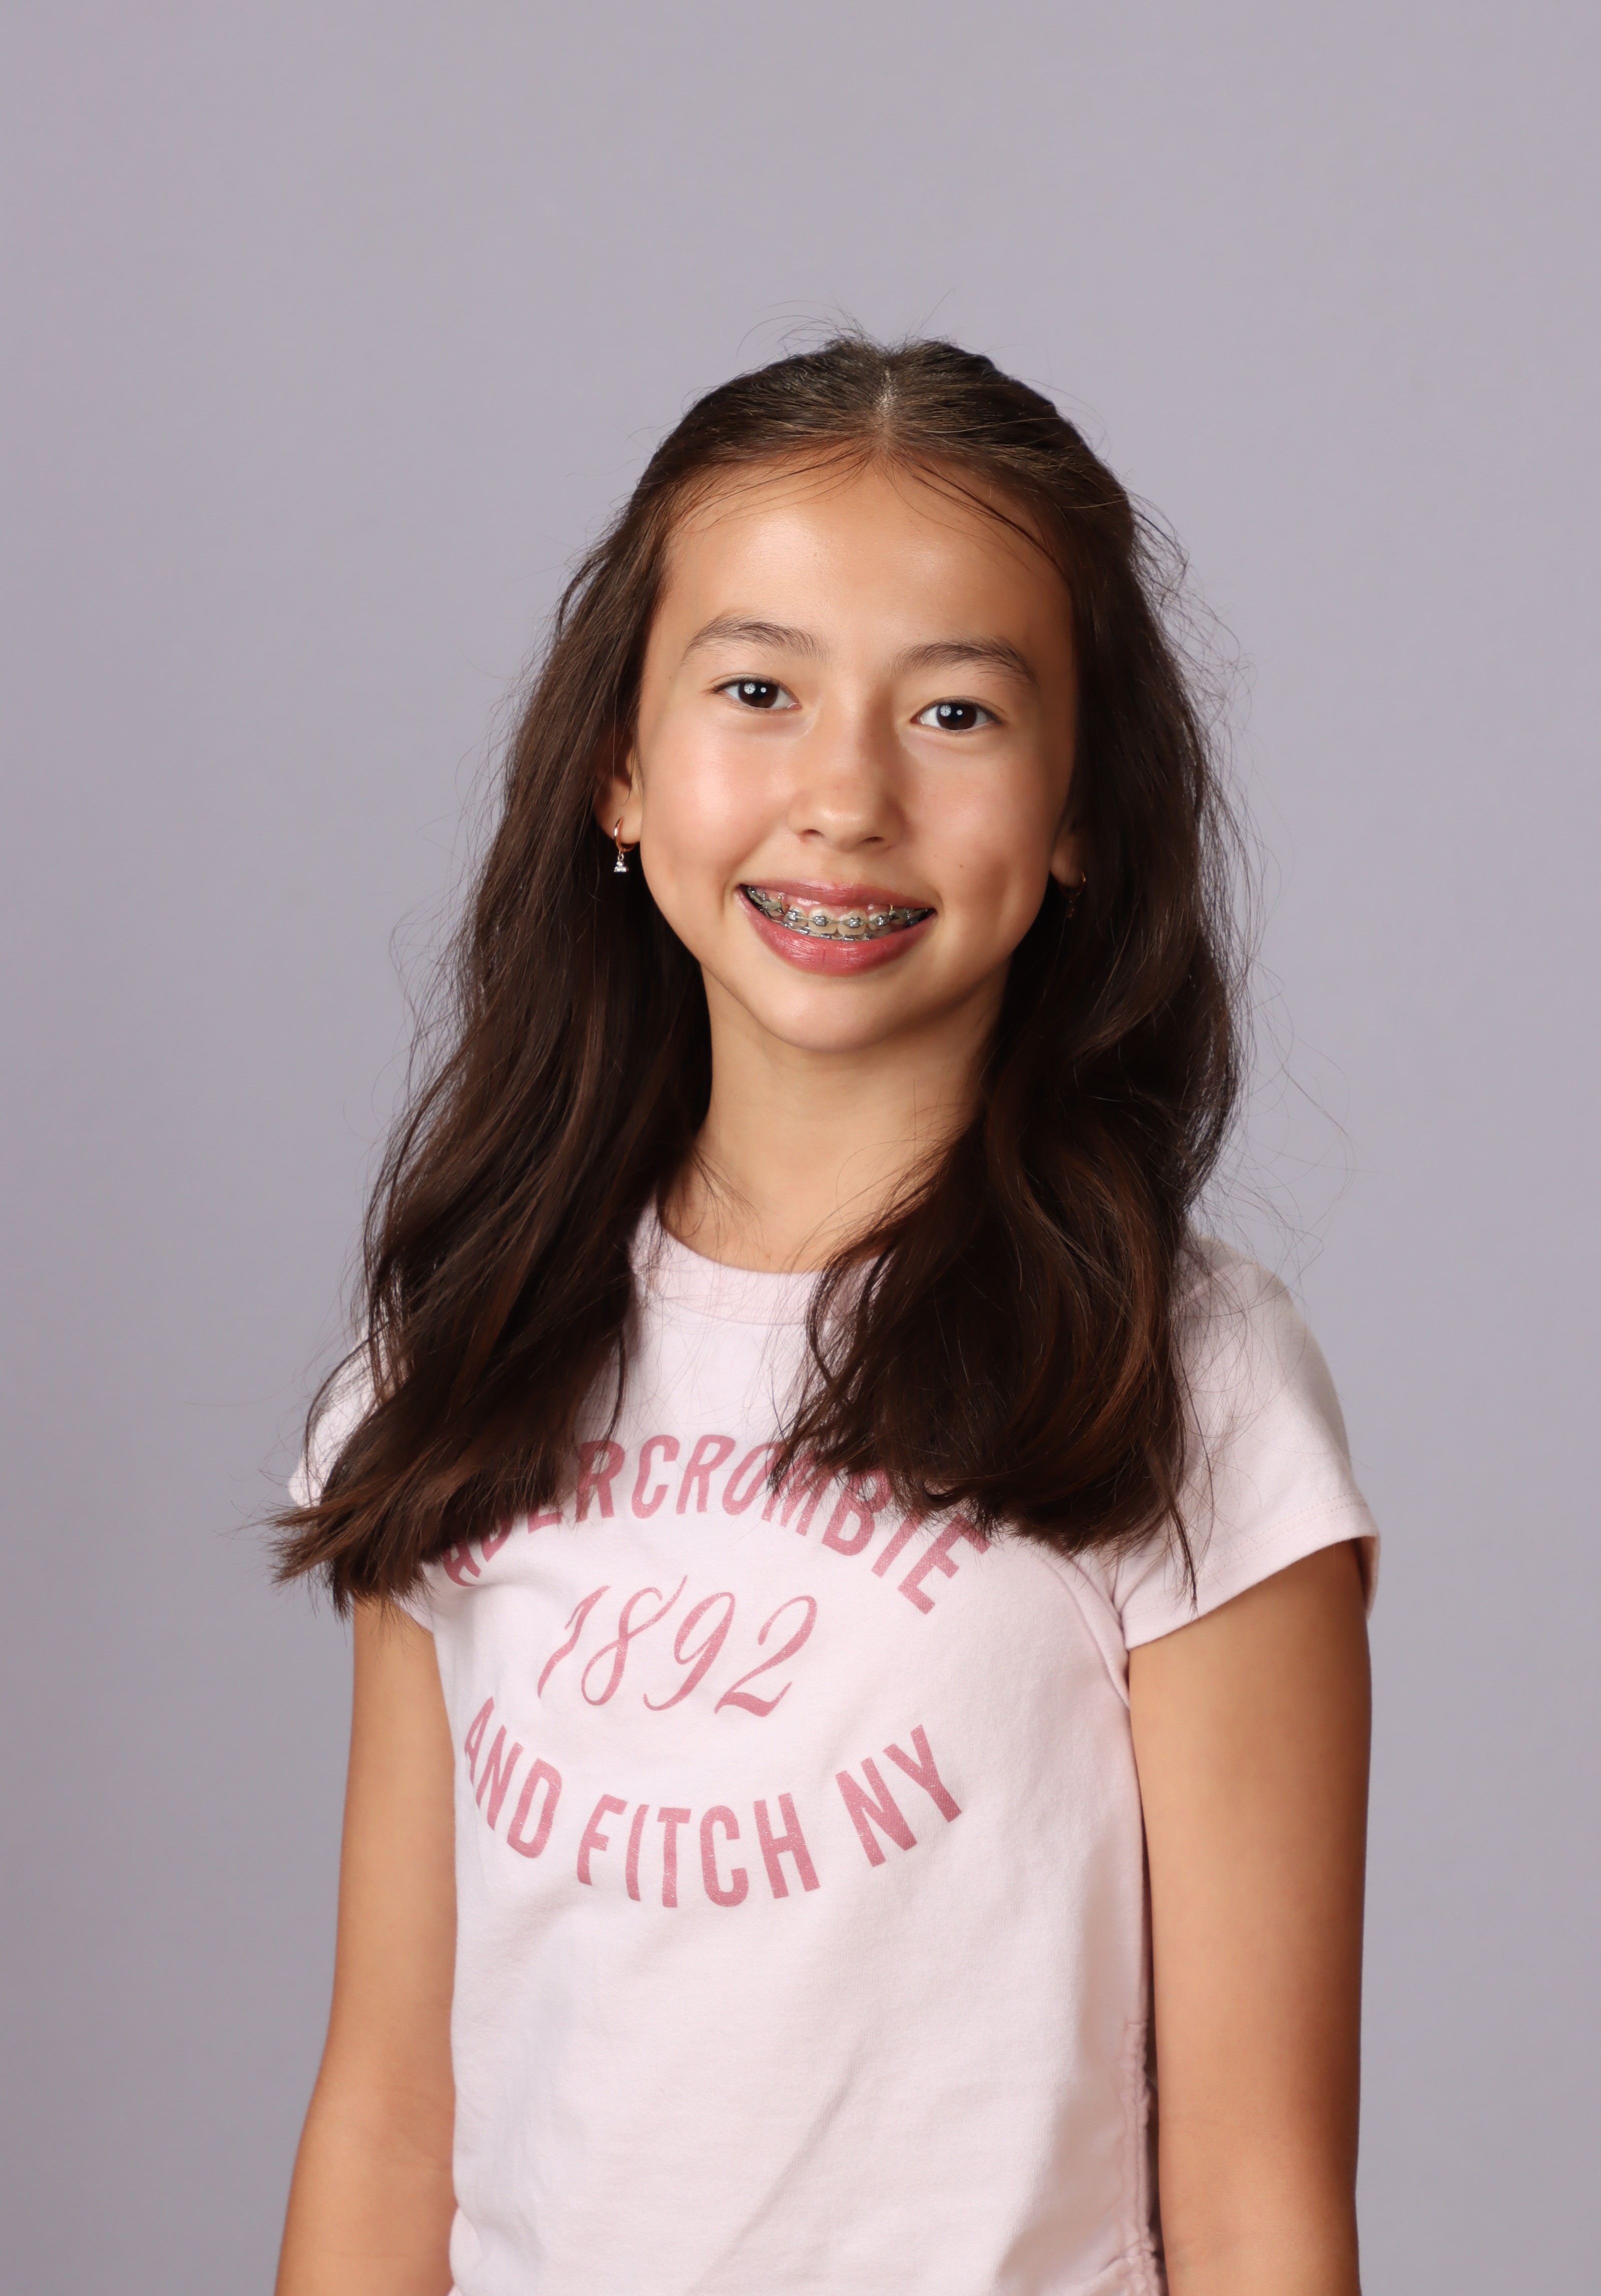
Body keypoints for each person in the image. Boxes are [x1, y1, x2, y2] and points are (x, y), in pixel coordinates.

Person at [273, 336, 1376, 2296]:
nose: (845, 797)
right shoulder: (461, 1363)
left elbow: (1257, 2196)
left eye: (954, 712)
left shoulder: (1182, 1385)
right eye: (757, 690)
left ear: (1078, 813)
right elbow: (387, 2120)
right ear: (620, 768)